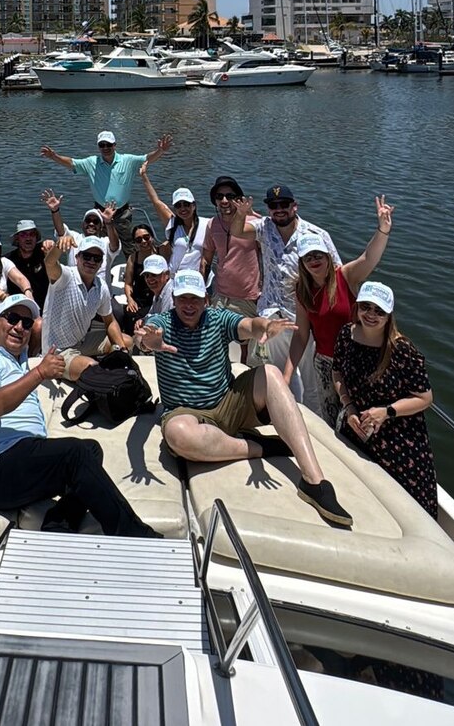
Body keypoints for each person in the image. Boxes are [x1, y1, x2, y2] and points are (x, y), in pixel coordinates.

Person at [137, 270, 353, 528]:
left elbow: (248, 326)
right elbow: (141, 339)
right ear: (173, 298)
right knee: (178, 434)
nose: (189, 305)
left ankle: (314, 481)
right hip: (186, 412)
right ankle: (259, 447)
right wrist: (148, 343)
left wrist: (266, 326)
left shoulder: (217, 318)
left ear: (206, 299)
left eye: (195, 298)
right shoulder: (161, 323)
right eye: (183, 298)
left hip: (228, 402)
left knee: (271, 373)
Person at [0, 294, 159, 537]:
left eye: (27, 323)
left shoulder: (15, 357)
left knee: (91, 449)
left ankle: (59, 524)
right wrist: (40, 373)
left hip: (20, 457)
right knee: (75, 454)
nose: (19, 327)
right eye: (12, 318)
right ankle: (135, 535)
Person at [282, 196, 395, 425]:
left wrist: (383, 229)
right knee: (333, 420)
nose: (314, 260)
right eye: (308, 257)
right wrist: (287, 374)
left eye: (318, 255)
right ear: (302, 262)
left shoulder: (345, 276)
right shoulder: (302, 291)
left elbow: (369, 258)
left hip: (358, 360)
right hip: (325, 363)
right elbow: (302, 335)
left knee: (363, 419)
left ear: (328, 256)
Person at [230, 183, 341, 412]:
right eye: (273, 206)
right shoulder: (264, 227)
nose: (279, 210)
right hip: (272, 313)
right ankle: (286, 414)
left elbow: (338, 274)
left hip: (305, 318)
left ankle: (315, 422)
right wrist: (240, 215)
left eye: (284, 205)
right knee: (280, 373)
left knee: (311, 380)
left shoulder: (316, 235)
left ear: (294, 206)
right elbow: (238, 232)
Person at [332, 282, 438, 517]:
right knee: (361, 502)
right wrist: (348, 407)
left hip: (399, 441)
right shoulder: (346, 335)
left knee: (409, 511)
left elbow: (424, 398)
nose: (371, 315)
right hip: (358, 429)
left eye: (379, 311)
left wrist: (386, 412)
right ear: (357, 307)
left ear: (389, 315)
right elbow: (337, 372)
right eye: (366, 307)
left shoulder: (403, 350)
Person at [40, 130, 173, 256]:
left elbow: (147, 159)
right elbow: (71, 163)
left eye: (108, 144)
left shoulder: (128, 160)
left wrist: (160, 150)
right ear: (98, 146)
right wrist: (54, 156)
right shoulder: (91, 162)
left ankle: (132, 273)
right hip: (99, 213)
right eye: (102, 145)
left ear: (114, 145)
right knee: (97, 245)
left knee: (130, 247)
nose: (105, 147)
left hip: (122, 213)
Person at [42, 234, 131, 379]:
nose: (91, 261)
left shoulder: (101, 287)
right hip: (58, 350)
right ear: (77, 257)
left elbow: (110, 321)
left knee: (127, 342)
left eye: (96, 258)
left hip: (82, 342)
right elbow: (50, 263)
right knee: (92, 369)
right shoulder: (65, 277)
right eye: (87, 256)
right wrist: (58, 246)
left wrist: (122, 350)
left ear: (101, 262)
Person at [199, 176, 261, 343]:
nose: (224, 200)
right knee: (216, 340)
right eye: (219, 197)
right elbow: (206, 259)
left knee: (246, 344)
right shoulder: (212, 224)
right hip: (220, 295)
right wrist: (202, 290)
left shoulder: (254, 223)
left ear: (238, 199)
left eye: (230, 196)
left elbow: (270, 261)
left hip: (247, 297)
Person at [139, 166, 210, 276]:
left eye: (186, 204)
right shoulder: (172, 224)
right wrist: (143, 176)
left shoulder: (207, 224)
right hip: (176, 278)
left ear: (194, 205)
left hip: (199, 280)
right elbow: (156, 202)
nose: (183, 209)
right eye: (178, 205)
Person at [41, 192, 121, 288]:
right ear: (83, 224)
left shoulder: (106, 242)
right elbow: (61, 233)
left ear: (101, 227)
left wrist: (108, 222)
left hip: (100, 292)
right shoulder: (74, 238)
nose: (91, 224)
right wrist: (55, 211)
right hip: (74, 289)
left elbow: (115, 246)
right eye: (88, 221)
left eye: (96, 222)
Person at [112, 223, 160, 334]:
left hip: (156, 298)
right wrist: (130, 299)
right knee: (130, 314)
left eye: (146, 237)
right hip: (139, 299)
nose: (143, 241)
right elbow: (128, 283)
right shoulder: (133, 258)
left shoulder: (162, 252)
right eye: (138, 240)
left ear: (152, 236)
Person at [6, 220, 51, 312]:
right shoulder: (8, 260)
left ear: (36, 237)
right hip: (18, 309)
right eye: (23, 235)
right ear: (17, 239)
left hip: (46, 308)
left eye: (32, 234)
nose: (28, 238)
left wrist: (52, 247)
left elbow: (55, 253)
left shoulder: (44, 252)